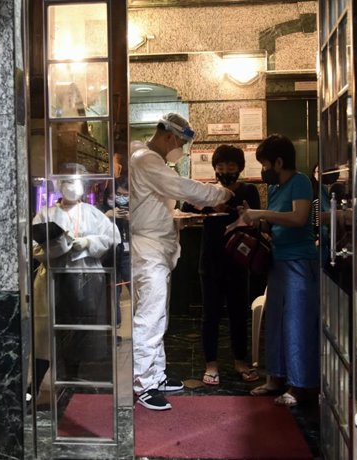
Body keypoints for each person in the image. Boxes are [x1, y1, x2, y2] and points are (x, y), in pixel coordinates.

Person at [130, 113, 233, 410]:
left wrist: (180, 217)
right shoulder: (147, 160)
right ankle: (143, 383)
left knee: (158, 315)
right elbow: (184, 189)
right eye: (183, 143)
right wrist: (220, 193)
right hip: (148, 250)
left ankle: (156, 374)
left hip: (157, 249)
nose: (183, 149)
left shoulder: (152, 161)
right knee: (149, 316)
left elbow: (157, 206)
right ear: (169, 136)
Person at [239, 134, 319, 407]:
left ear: (279, 161)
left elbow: (298, 218)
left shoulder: (301, 182)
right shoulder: (273, 190)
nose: (263, 171)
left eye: (264, 164)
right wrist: (254, 218)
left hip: (299, 263)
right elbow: (272, 225)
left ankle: (299, 385)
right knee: (275, 323)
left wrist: (262, 214)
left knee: (298, 325)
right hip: (278, 262)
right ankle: (275, 378)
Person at [31, 164, 120, 393]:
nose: (71, 186)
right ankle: (37, 385)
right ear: (59, 184)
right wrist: (60, 246)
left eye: (76, 181)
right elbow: (34, 247)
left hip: (85, 277)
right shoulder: (45, 214)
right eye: (66, 181)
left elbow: (113, 237)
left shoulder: (91, 212)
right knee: (46, 332)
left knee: (80, 328)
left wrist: (88, 243)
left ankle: (72, 377)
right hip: (53, 277)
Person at [183, 145, 261, 386]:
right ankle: (211, 364)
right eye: (221, 167)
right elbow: (185, 206)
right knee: (211, 315)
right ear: (214, 168)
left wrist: (248, 214)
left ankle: (240, 361)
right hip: (211, 261)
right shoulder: (208, 191)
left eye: (231, 166)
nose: (226, 171)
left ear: (240, 168)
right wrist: (208, 206)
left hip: (239, 261)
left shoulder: (249, 190)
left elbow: (257, 219)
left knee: (239, 313)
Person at [98, 176, 131, 329]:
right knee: (113, 293)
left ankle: (140, 324)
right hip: (111, 256)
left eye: (125, 195)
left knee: (136, 288)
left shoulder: (133, 209)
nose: (120, 199)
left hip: (129, 256)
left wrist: (133, 220)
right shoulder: (103, 210)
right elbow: (95, 227)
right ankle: (114, 327)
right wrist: (108, 216)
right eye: (118, 195)